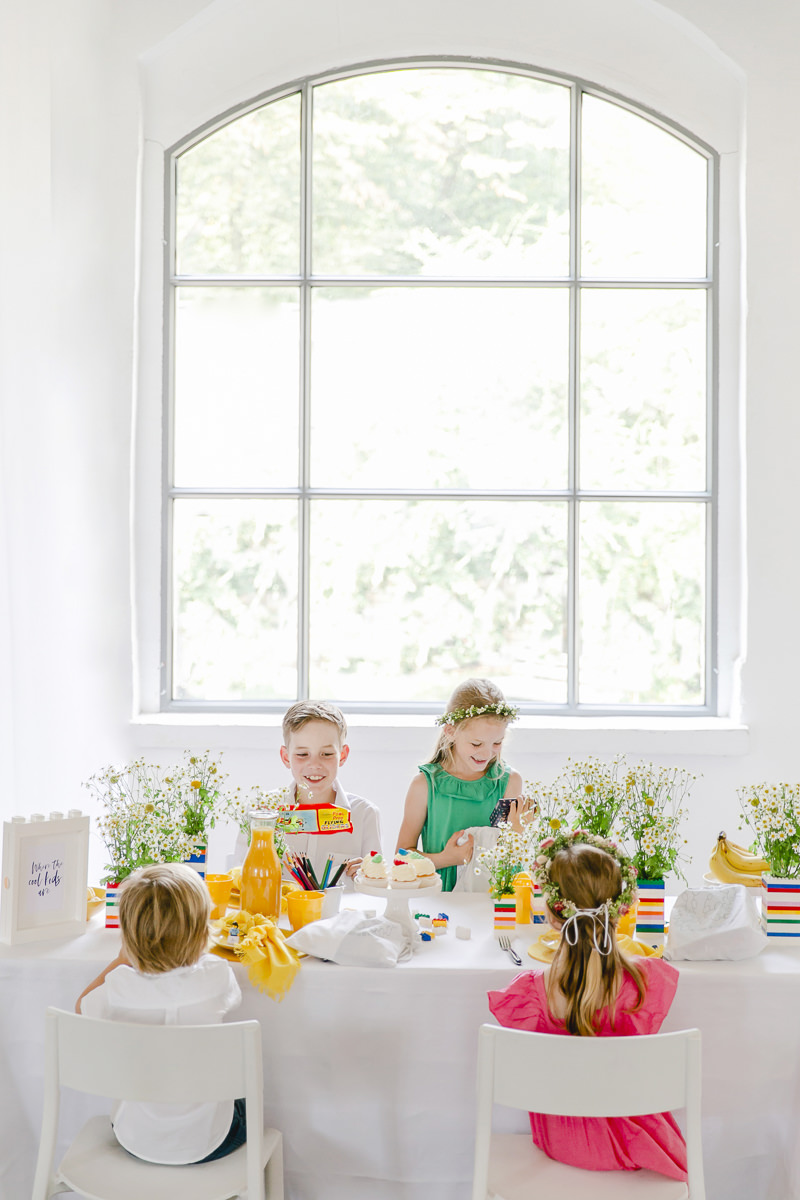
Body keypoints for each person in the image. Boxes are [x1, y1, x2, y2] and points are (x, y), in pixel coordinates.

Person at [487, 832, 688, 1182]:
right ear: (621, 909)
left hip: (557, 1142)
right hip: (631, 1147)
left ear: (552, 913)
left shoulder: (530, 994)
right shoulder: (646, 984)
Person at [75, 863, 244, 1165]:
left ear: (127, 935)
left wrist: (121, 959)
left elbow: (82, 1005)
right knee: (242, 1092)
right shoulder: (216, 976)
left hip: (134, 1136)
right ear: (201, 932)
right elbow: (231, 995)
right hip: (211, 1140)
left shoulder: (116, 989)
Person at [396, 678, 523, 892]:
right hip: (439, 900)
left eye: (497, 743)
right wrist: (445, 859)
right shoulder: (425, 785)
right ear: (450, 731)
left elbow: (509, 861)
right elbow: (401, 857)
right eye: (476, 743)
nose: (487, 753)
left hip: (488, 901)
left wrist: (518, 833)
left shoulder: (510, 782)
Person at [274, 700, 382, 887]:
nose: (315, 764)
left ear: (343, 755)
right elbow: (241, 878)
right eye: (302, 754)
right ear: (285, 757)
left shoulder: (364, 815)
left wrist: (370, 875)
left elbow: (377, 889)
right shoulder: (263, 812)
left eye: (326, 754)